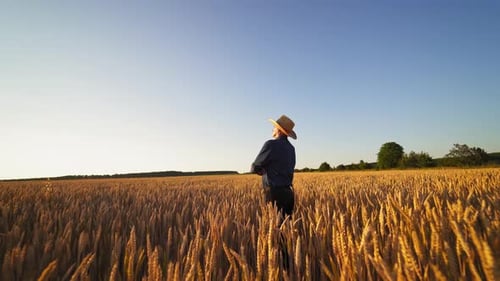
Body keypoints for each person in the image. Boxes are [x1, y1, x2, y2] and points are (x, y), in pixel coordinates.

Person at [251, 114, 297, 222]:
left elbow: (255, 166)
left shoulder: (270, 144)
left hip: (273, 193)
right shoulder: (291, 149)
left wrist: (262, 170)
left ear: (279, 131)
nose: (272, 129)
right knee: (285, 230)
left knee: (274, 229)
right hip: (289, 193)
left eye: (274, 127)